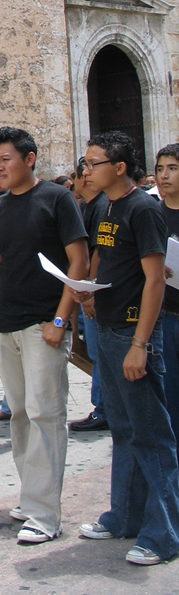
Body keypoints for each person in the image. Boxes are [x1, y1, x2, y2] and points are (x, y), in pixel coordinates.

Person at [0, 126, 89, 544]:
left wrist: (61, 321)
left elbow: (79, 260)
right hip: (7, 320)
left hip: (44, 322)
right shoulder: (0, 207)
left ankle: (46, 514)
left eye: (5, 160)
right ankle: (32, 498)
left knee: (46, 413)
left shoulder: (57, 198)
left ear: (29, 159)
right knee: (22, 415)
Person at [76, 132, 179, 566]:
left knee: (152, 436)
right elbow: (112, 262)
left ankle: (164, 534)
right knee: (122, 429)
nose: (86, 171)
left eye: (93, 163)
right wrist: (89, 290)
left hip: (134, 335)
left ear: (118, 168)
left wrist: (141, 343)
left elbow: (155, 280)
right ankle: (125, 515)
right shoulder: (108, 206)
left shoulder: (143, 209)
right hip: (109, 328)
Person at [69, 157, 110, 433]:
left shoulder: (100, 206)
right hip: (90, 289)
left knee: (99, 353)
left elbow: (97, 252)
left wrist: (89, 291)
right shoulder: (89, 206)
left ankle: (104, 409)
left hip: (95, 291)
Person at [156, 143, 179, 453]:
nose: (164, 175)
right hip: (165, 317)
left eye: (172, 168)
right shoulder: (153, 213)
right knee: (169, 400)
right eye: (160, 169)